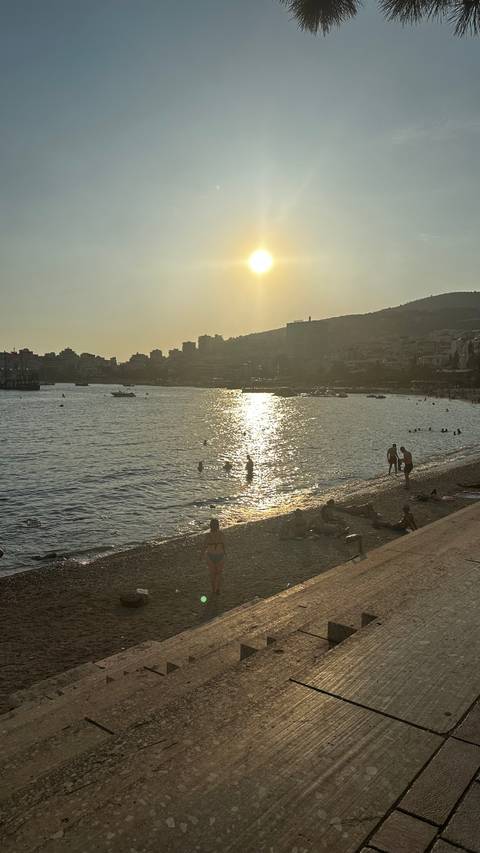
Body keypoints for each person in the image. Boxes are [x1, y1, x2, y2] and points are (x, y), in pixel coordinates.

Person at [203, 518, 225, 595]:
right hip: (220, 555)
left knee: (212, 574)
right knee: (219, 573)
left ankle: (213, 590)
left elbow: (204, 546)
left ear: (210, 526)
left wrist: (201, 555)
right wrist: (225, 553)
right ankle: (218, 589)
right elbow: (224, 545)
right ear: (218, 525)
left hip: (210, 556)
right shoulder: (221, 534)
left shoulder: (208, 535)